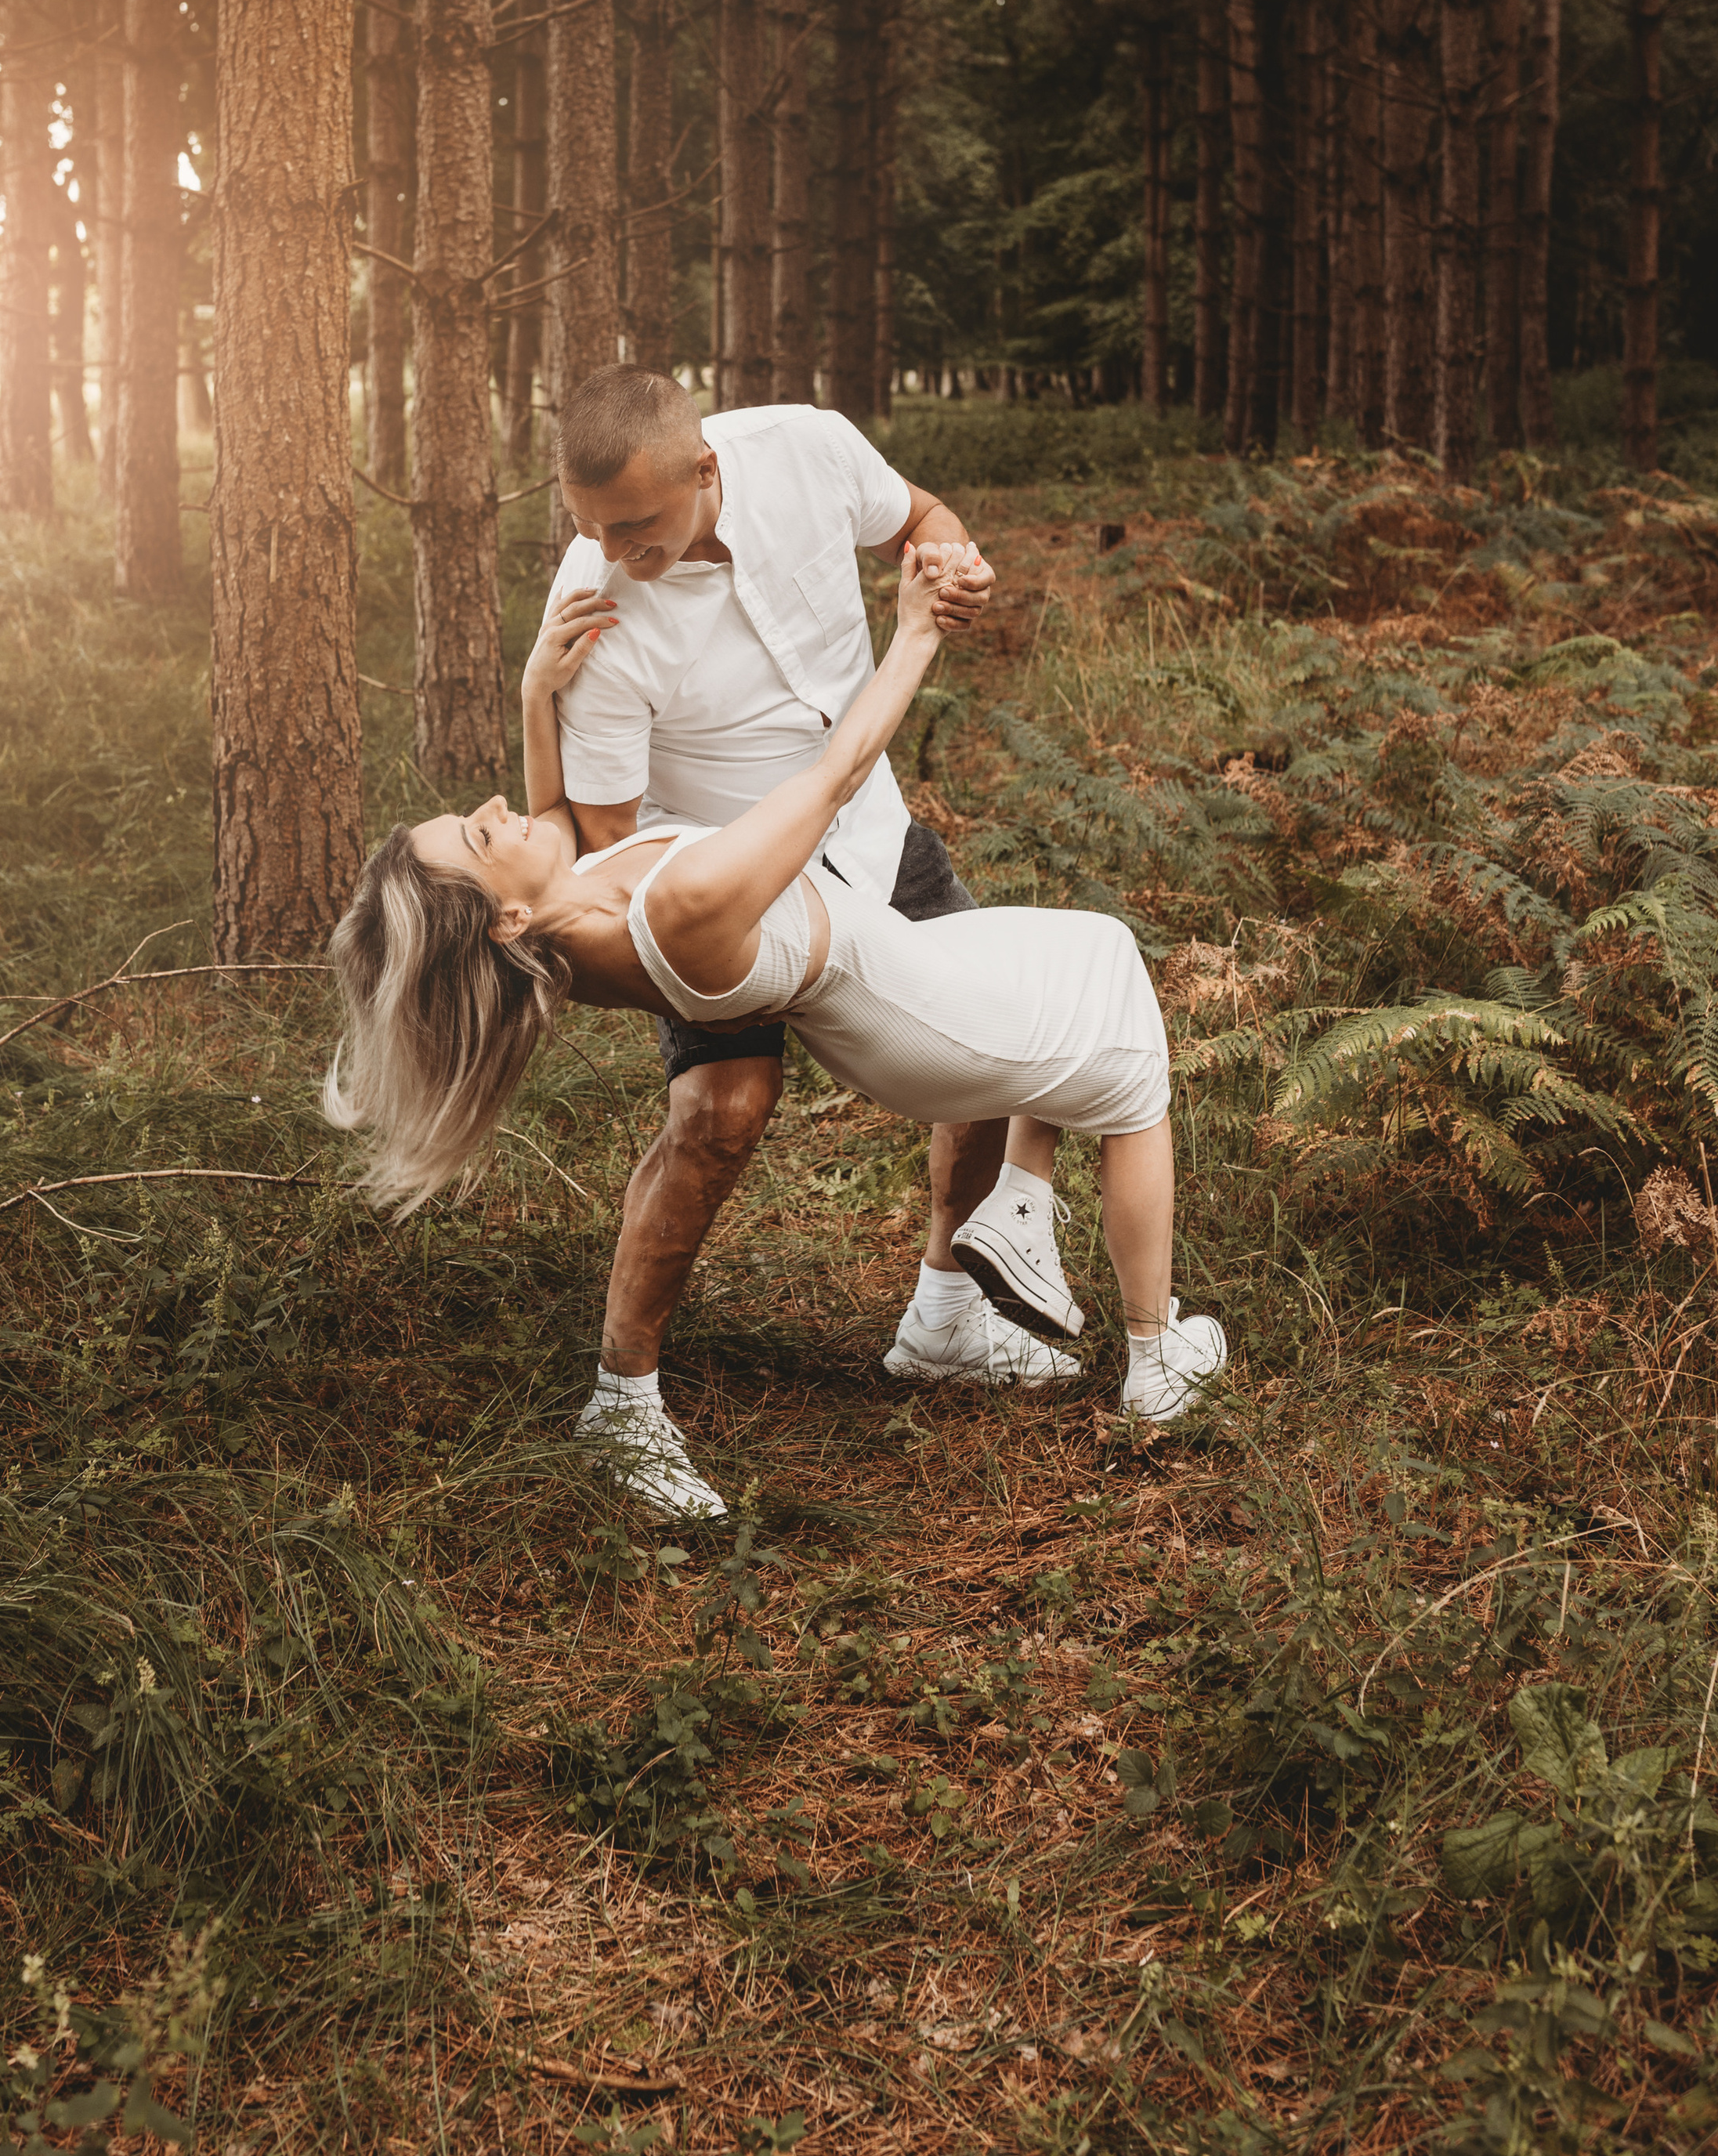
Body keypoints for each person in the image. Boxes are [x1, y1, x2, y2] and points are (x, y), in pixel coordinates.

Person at [324, 537, 1228, 1521]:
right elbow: (835, 775)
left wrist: (538, 691)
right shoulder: (684, 905)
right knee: (1131, 1063)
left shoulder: (564, 937)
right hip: (921, 1015)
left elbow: (552, 818)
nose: (498, 807)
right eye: (479, 833)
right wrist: (916, 631)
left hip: (899, 986)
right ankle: (1152, 1358)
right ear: (503, 919)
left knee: (1084, 948)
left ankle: (1015, 1213)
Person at [526, 371, 1078, 1439]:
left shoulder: (808, 448)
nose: (608, 549)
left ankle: (946, 1319)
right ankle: (622, 1398)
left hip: (867, 827)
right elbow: (607, 844)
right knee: (721, 1116)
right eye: (587, 525)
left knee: (997, 1040)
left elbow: (918, 516)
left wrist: (947, 560)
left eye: (634, 524)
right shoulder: (593, 610)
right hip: (713, 876)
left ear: (705, 468)